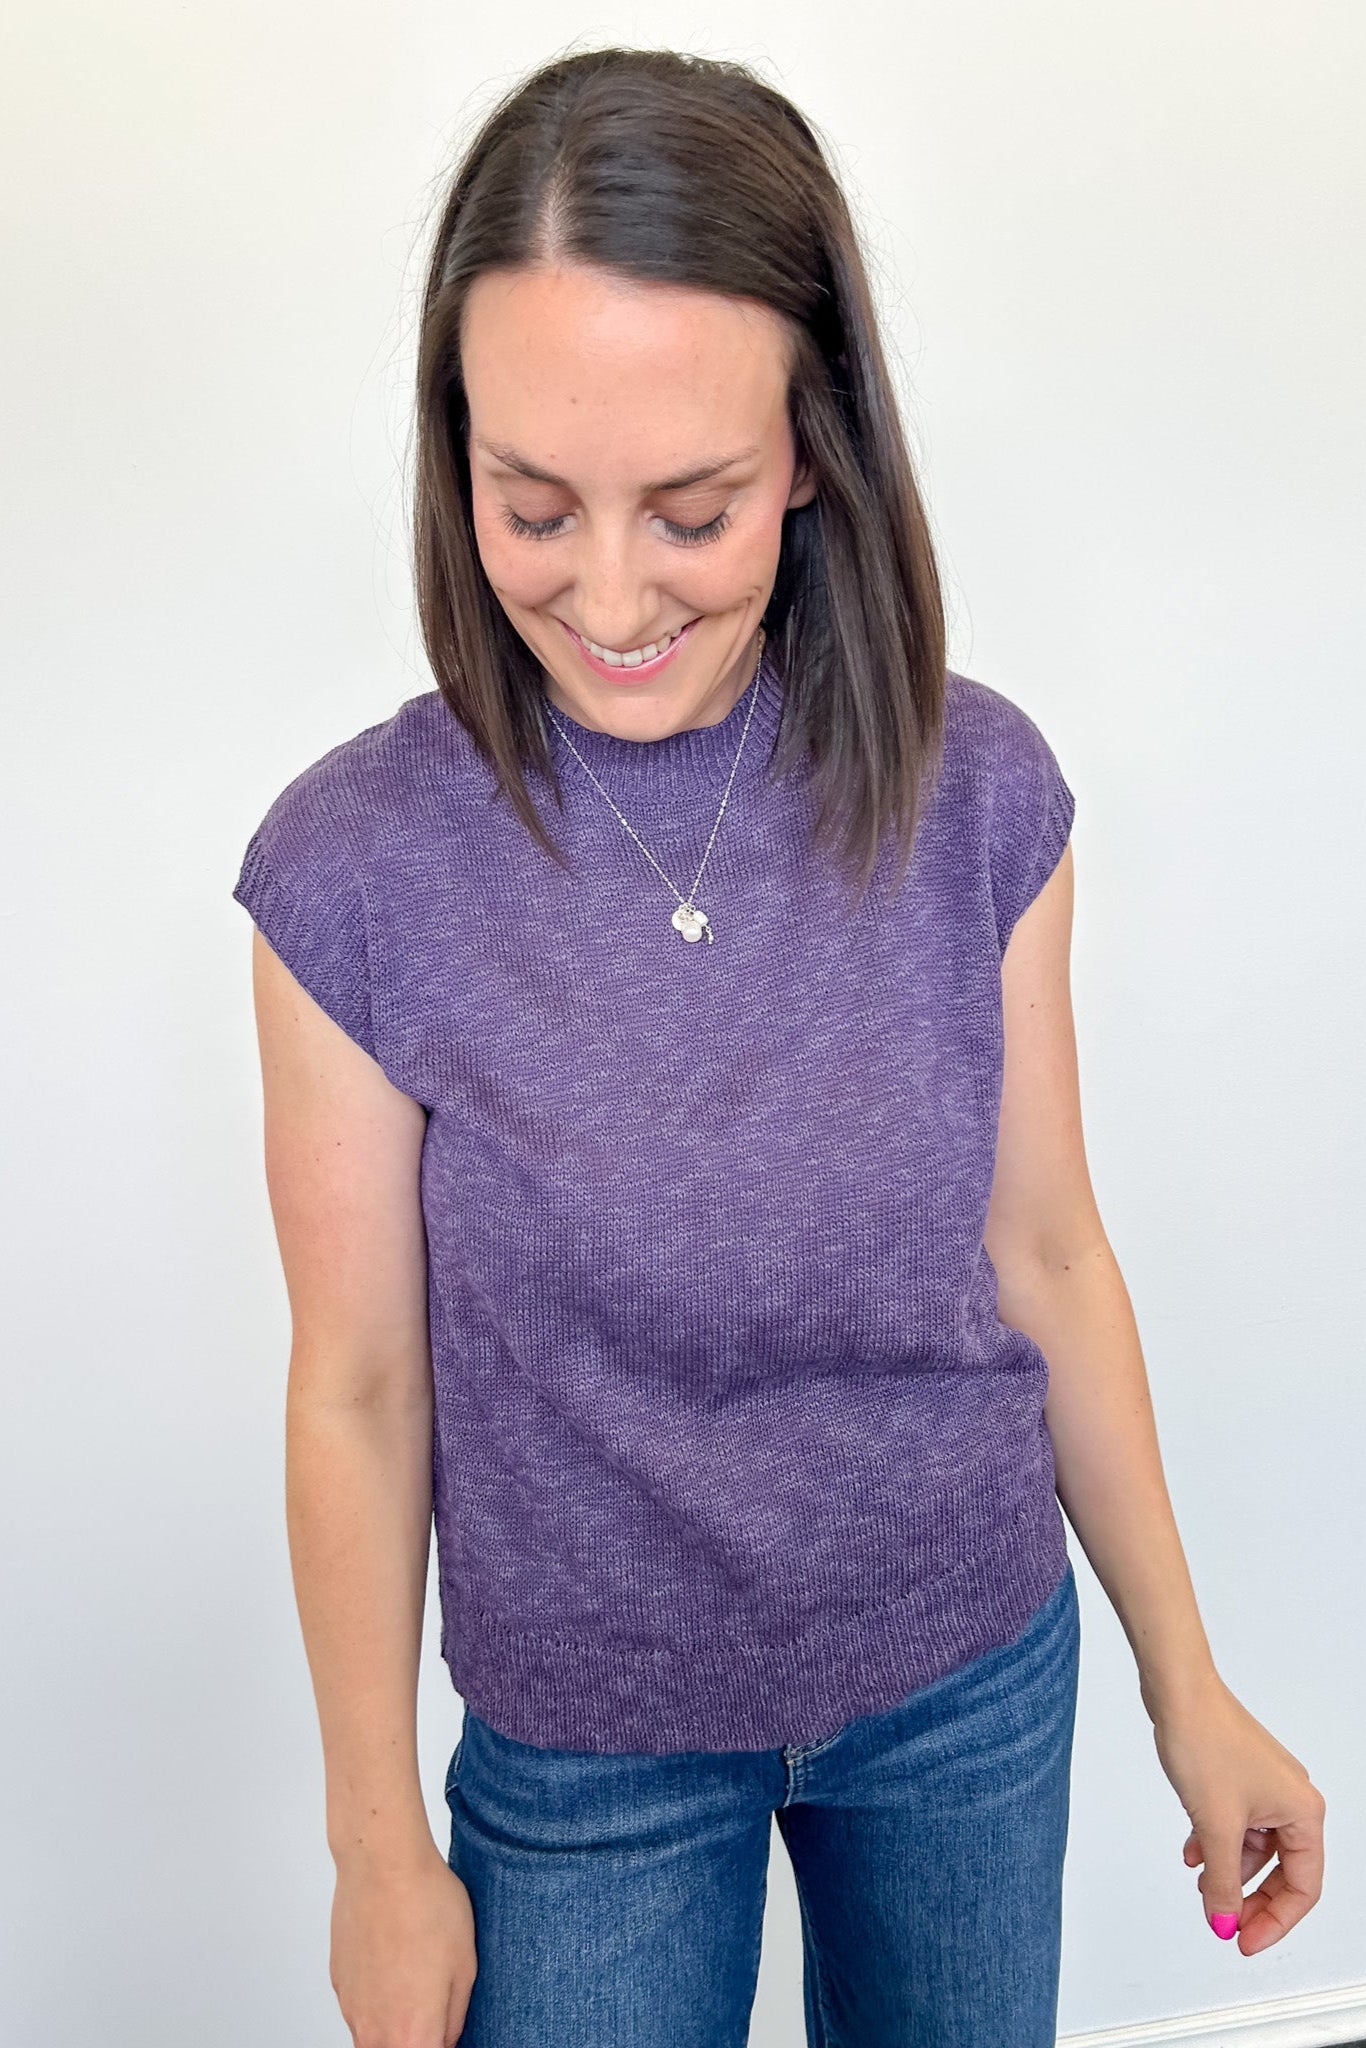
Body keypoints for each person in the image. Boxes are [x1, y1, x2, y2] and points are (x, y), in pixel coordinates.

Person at [231, 45, 1325, 2048]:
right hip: (583, 1757)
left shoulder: (977, 793)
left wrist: (1186, 1679)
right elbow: (361, 1385)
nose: (610, 590)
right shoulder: (350, 872)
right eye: (530, 502)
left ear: (812, 450)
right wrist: (376, 1849)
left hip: (966, 1688)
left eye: (693, 506)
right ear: (451, 446)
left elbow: (1046, 1257)